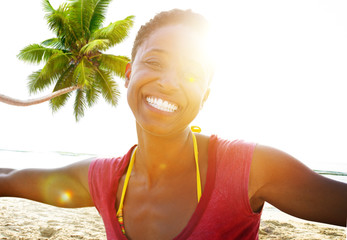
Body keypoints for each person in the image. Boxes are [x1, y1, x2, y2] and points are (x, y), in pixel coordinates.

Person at [1, 9, 346, 240]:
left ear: (204, 95)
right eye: (154, 61)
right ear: (128, 73)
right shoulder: (105, 181)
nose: (169, 82)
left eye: (191, 73)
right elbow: (12, 180)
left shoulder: (248, 169)